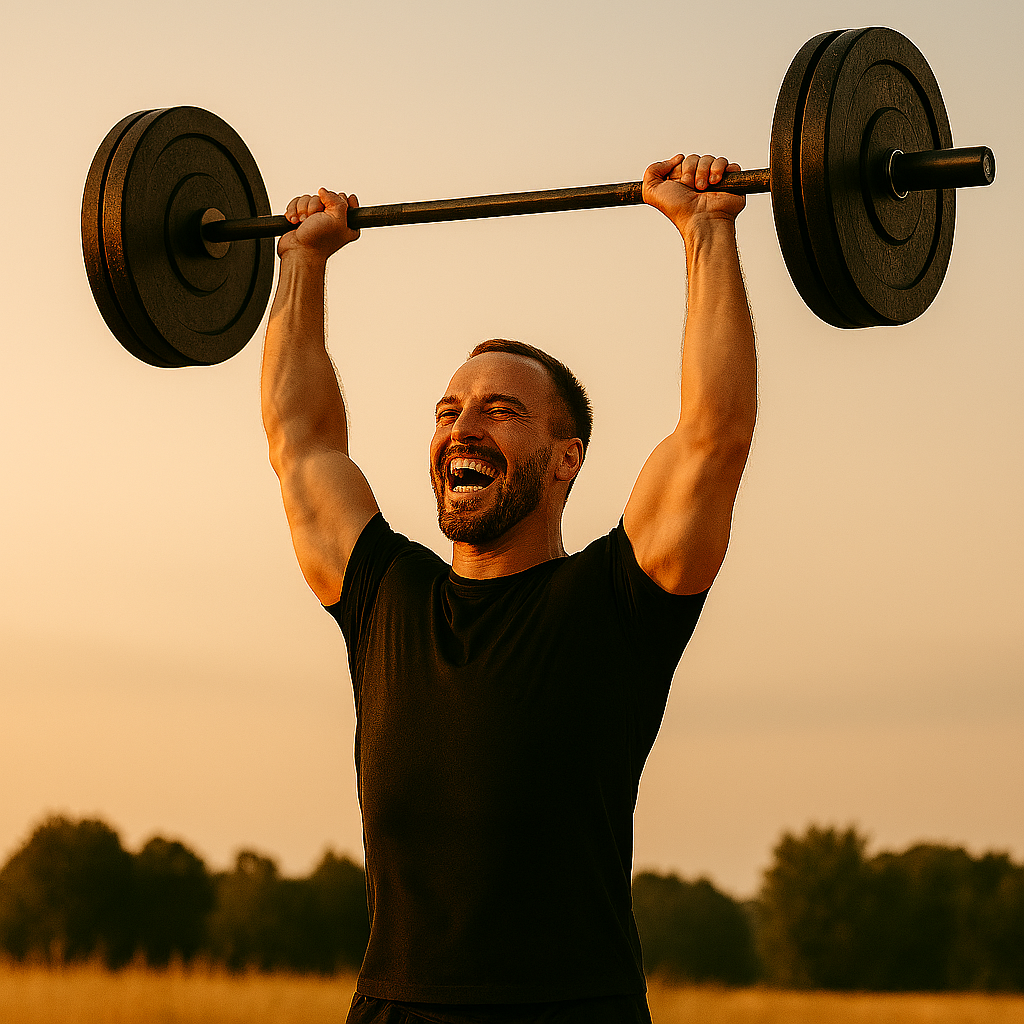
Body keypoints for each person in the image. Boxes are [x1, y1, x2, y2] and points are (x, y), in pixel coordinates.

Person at [260, 154, 756, 1024]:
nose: (463, 426)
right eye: (449, 410)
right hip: (394, 1011)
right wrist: (301, 263)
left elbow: (714, 435)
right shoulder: (386, 598)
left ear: (567, 459)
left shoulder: (619, 602)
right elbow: (301, 442)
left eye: (501, 410)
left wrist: (706, 230)